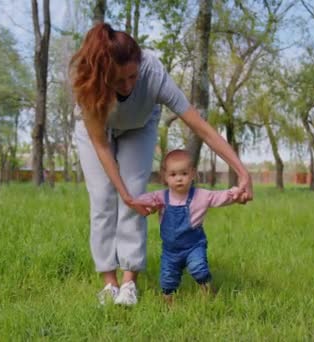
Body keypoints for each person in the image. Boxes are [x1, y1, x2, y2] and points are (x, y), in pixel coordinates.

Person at [70, 22, 253, 306]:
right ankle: (109, 284)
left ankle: (129, 282)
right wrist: (124, 196)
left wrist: (242, 171)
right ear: (104, 75)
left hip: (139, 126)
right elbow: (102, 147)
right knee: (104, 199)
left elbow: (200, 126)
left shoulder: (153, 73)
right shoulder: (90, 87)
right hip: (99, 134)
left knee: (137, 195)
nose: (128, 86)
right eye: (119, 81)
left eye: (132, 76)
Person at [137, 150, 241, 303]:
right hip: (170, 250)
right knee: (167, 279)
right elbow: (141, 200)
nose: (179, 179)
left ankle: (207, 291)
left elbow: (219, 196)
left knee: (199, 268)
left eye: (184, 174)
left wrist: (236, 193)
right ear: (165, 177)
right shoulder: (160, 197)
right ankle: (168, 302)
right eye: (173, 175)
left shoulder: (201, 195)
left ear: (193, 174)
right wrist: (142, 203)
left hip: (194, 246)